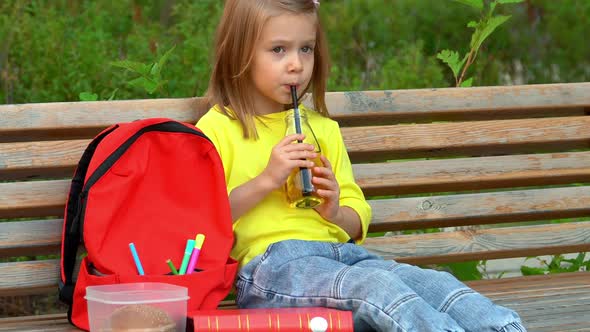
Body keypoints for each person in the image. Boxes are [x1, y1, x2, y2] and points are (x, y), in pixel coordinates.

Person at [196, 0, 527, 331]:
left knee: (430, 283)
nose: (296, 64)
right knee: (378, 289)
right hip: (273, 270)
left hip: (342, 257)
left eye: (306, 49)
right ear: (241, 53)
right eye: (279, 49)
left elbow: (356, 220)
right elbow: (204, 223)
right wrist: (267, 180)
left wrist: (335, 211)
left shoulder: (322, 129)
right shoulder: (218, 129)